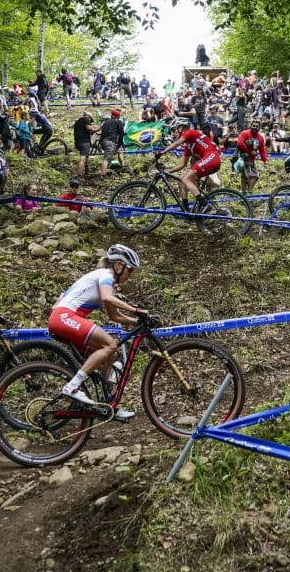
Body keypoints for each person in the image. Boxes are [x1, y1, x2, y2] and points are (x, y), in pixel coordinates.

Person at [54, 245, 146, 420]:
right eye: (130, 270)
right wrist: (137, 310)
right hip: (63, 317)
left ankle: (108, 405)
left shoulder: (105, 281)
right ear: (118, 266)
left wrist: (137, 321)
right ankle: (72, 386)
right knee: (110, 344)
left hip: (64, 318)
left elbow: (114, 316)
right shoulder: (105, 275)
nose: (130, 275)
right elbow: (107, 298)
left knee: (111, 354)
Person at [160, 118, 222, 208]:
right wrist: (168, 171)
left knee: (186, 179)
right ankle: (186, 209)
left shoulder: (190, 132)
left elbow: (177, 143)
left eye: (174, 129)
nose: (173, 133)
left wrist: (162, 152)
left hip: (212, 157)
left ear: (181, 128)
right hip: (210, 159)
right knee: (181, 180)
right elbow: (183, 164)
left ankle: (204, 204)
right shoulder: (189, 145)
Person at [235, 118, 268, 194]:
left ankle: (248, 193)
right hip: (243, 158)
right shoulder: (245, 133)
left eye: (257, 126)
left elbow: (262, 150)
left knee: (255, 176)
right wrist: (250, 151)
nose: (255, 127)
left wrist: (265, 160)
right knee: (245, 176)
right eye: (254, 126)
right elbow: (239, 143)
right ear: (251, 125)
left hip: (251, 160)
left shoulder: (260, 138)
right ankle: (245, 193)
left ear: (259, 128)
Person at [72, 110, 100, 176]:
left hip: (78, 142)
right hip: (84, 142)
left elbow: (88, 132)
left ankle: (86, 172)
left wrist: (94, 131)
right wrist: (97, 128)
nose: (90, 122)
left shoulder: (77, 122)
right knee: (83, 158)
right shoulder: (86, 119)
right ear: (89, 117)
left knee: (86, 157)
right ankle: (79, 174)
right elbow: (90, 128)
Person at [99, 109, 126, 175]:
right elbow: (121, 133)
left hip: (103, 142)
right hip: (110, 142)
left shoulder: (105, 123)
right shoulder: (118, 122)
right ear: (118, 117)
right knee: (106, 159)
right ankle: (102, 175)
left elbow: (102, 134)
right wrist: (120, 143)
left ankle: (123, 167)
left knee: (119, 151)